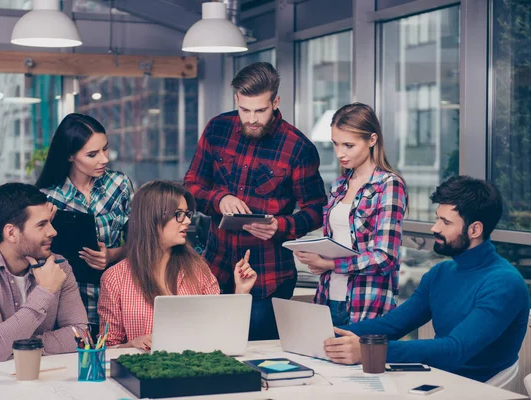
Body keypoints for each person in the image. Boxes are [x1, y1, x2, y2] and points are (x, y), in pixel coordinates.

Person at [322, 176, 529, 383]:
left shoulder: (505, 284)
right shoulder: (441, 273)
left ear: (475, 230)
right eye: (438, 218)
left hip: (475, 388)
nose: (435, 228)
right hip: (436, 378)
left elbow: (455, 350)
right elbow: (392, 325)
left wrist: (369, 350)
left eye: (445, 222)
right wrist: (325, 335)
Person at [184, 62, 327, 340]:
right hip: (214, 271)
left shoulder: (297, 147)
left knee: (256, 359)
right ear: (237, 99)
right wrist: (219, 198)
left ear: (276, 102)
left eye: (260, 110)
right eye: (245, 109)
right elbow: (190, 186)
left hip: (268, 279)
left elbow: (318, 209)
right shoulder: (217, 130)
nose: (251, 119)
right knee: (208, 349)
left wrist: (281, 226)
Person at [98, 180, 257, 350]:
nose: (187, 221)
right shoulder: (115, 278)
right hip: (143, 371)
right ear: (152, 218)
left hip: (193, 369)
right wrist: (131, 345)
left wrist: (241, 292)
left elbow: (222, 334)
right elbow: (106, 348)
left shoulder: (198, 268)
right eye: (179, 214)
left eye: (187, 214)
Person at [294, 103, 407, 326]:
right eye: (336, 144)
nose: (340, 153)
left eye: (349, 145)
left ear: (372, 140)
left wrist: (331, 264)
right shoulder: (339, 186)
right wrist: (319, 259)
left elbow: (385, 258)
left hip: (366, 304)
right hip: (328, 298)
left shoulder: (389, 186)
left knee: (360, 361)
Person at [0, 183, 88, 362]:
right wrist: (45, 291)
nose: (53, 232)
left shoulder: (59, 265)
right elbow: (0, 349)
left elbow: (81, 335)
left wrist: (16, 346)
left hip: (46, 377)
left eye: (50, 222)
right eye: (41, 225)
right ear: (11, 233)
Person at [36, 113, 134, 333]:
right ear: (70, 156)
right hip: (69, 302)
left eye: (105, 149)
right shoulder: (47, 197)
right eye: (92, 154)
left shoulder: (120, 185)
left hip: (116, 297)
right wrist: (43, 227)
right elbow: (35, 259)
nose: (104, 159)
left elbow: (140, 240)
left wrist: (113, 254)